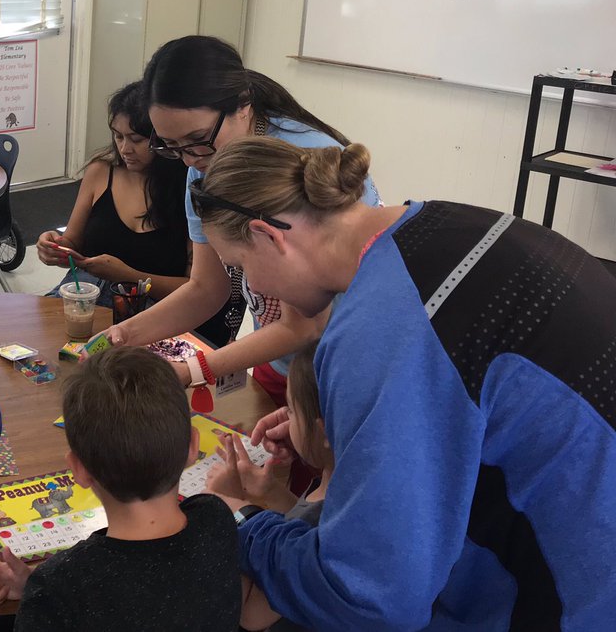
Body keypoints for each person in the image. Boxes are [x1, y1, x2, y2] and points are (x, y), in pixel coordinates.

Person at [194, 137, 616, 630]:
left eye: (243, 268)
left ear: (269, 236)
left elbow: (369, 598)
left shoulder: (384, 326)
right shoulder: (448, 223)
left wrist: (240, 524)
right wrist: (359, 422)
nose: (256, 289)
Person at [101, 35, 381, 404]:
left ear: (242, 107)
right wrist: (123, 335)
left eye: (197, 139)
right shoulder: (203, 162)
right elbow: (207, 288)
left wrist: (192, 370)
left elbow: (306, 324)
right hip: (278, 358)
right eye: (170, 145)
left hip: (343, 377)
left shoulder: (301, 162)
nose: (187, 159)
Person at [0, 346, 241, 631]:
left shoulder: (61, 586)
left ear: (78, 470)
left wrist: (39, 591)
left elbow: (100, 595)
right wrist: (37, 588)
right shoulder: (216, 518)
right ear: (193, 446)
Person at [204, 342, 331, 632]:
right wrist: (271, 494)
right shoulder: (335, 484)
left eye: (292, 413)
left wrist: (231, 508)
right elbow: (300, 528)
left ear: (322, 430)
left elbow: (249, 615)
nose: (284, 420)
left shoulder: (331, 514)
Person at [35, 84, 191, 311]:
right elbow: (72, 243)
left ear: (163, 140)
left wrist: (129, 276)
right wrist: (54, 247)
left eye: (136, 139)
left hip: (149, 311)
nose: (125, 148)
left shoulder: (188, 188)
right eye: (118, 136)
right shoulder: (100, 172)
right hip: (83, 297)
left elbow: (196, 288)